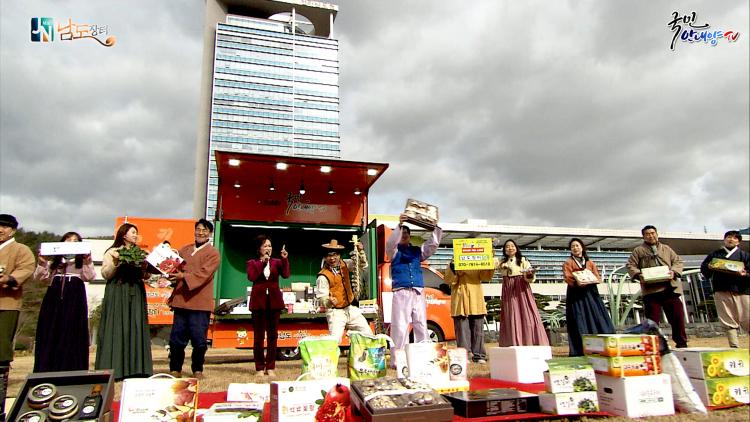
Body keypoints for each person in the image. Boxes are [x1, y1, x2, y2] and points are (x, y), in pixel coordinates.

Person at [95, 223, 153, 379]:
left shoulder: (140, 253)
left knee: (136, 325)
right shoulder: (113, 252)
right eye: (133, 232)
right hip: (118, 290)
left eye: (136, 232)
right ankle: (115, 368)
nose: (135, 235)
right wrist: (116, 262)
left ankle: (137, 369)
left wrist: (146, 267)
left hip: (136, 291)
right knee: (117, 326)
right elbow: (105, 274)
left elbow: (146, 276)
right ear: (124, 234)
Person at [33, 231, 95, 372]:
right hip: (54, 297)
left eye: (75, 240)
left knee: (72, 329)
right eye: (68, 239)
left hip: (75, 297)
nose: (71, 242)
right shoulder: (54, 263)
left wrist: (88, 260)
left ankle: (72, 367)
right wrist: (42, 262)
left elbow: (90, 276)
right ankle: (48, 367)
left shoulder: (81, 262)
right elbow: (40, 278)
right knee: (52, 328)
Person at [166, 219, 220, 378]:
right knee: (177, 338)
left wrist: (183, 276)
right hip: (181, 300)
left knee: (199, 339)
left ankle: (197, 369)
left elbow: (204, 274)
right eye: (198, 229)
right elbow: (174, 267)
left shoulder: (213, 253)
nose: (200, 233)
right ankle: (175, 369)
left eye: (204, 230)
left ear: (210, 233)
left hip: (200, 302)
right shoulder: (184, 250)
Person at [385, 213, 443, 354]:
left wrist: (436, 227)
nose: (404, 235)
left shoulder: (417, 251)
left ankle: (423, 357)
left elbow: (432, 245)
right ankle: (399, 359)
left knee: (421, 324)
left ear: (410, 236)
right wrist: (399, 225)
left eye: (406, 233)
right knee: (400, 326)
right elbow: (390, 243)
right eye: (401, 233)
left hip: (418, 291)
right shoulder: (394, 251)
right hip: (401, 291)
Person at [627, 225, 687, 348]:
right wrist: (639, 274)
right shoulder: (638, 251)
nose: (651, 236)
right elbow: (630, 265)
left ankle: (681, 342)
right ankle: (654, 345)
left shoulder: (666, 248)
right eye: (647, 234)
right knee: (652, 321)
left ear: (657, 234)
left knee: (677, 316)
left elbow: (677, 261)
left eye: (653, 233)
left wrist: (674, 271)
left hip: (670, 288)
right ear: (643, 236)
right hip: (651, 290)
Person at [0, 214, 35, 419]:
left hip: (6, 304)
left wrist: (9, 278)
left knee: (1, 351)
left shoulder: (20, 249)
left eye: (5, 227)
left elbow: (26, 268)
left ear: (13, 230)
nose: (1, 230)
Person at [562, 238, 615, 356]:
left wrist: (593, 280)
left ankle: (604, 345)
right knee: (579, 318)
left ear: (582, 247)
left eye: (577, 245)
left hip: (591, 293)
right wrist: (577, 281)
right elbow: (567, 277)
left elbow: (597, 276)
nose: (575, 248)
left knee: (597, 316)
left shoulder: (590, 263)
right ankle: (580, 348)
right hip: (576, 293)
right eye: (572, 246)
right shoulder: (568, 263)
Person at [246, 235, 289, 377]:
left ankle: (270, 366)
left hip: (274, 302)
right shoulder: (252, 263)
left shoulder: (277, 262)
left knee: (272, 336)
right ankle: (259, 367)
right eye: (265, 246)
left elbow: (286, 274)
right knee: (258, 337)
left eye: (269, 246)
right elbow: (252, 277)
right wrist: (262, 263)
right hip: (258, 303)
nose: (268, 248)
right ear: (259, 248)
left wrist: (284, 259)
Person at [315, 239, 372, 342]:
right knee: (334, 340)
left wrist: (361, 251)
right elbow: (322, 297)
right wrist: (329, 301)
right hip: (335, 312)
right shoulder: (323, 276)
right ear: (325, 258)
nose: (332, 258)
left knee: (367, 333)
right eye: (329, 255)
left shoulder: (345, 264)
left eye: (335, 255)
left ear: (339, 255)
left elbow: (362, 265)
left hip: (350, 308)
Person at [700, 230, 750, 348]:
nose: (731, 239)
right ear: (724, 239)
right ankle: (734, 346)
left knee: (747, 317)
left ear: (738, 242)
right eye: (728, 237)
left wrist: (745, 274)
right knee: (727, 319)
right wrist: (709, 267)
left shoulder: (745, 256)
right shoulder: (715, 255)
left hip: (742, 291)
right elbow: (704, 269)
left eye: (734, 238)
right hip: (721, 290)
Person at [497, 239, 549, 346]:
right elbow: (496, 267)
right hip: (509, 290)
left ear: (516, 248)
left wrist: (529, 274)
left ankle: (530, 340)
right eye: (507, 246)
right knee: (510, 313)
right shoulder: (502, 263)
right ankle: (512, 341)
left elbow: (530, 278)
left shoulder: (523, 261)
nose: (510, 248)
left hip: (521, 289)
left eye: (512, 246)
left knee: (526, 313)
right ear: (504, 250)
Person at [444, 258, 494, 363]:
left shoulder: (478, 259)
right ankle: (464, 355)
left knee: (477, 329)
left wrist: (489, 262)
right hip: (460, 297)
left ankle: (479, 355)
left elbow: (486, 276)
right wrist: (453, 267)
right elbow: (448, 280)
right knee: (462, 329)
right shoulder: (453, 262)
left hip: (475, 296)